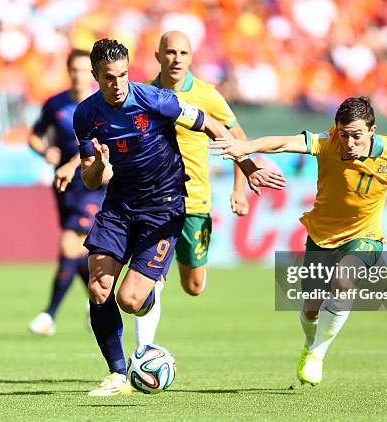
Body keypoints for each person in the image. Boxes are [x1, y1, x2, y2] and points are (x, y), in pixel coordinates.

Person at [211, 96, 387, 386]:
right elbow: (282, 143)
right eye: (344, 134)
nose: (349, 143)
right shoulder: (327, 143)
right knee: (310, 307)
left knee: (344, 281)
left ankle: (318, 352)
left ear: (372, 131)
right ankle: (309, 343)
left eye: (356, 136)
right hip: (321, 235)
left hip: (365, 236)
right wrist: (245, 147)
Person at [72, 39, 285, 396]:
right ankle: (117, 374)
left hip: (164, 206)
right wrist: (99, 163)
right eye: (109, 77)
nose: (118, 84)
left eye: (123, 74)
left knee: (130, 300)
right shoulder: (86, 115)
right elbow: (90, 178)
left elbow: (214, 126)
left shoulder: (154, 100)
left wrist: (247, 167)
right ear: (95, 76)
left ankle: (148, 294)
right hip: (120, 206)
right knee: (98, 286)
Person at [133, 31, 250, 347]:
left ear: (191, 57)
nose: (176, 59)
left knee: (194, 285)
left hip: (196, 203)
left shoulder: (207, 95)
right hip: (154, 204)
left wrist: (240, 189)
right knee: (150, 278)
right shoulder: (142, 94)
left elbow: (237, 139)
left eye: (183, 53)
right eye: (170, 52)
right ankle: (142, 352)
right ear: (158, 56)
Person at [28, 49, 104, 336]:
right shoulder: (55, 104)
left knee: (69, 245)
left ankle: (49, 314)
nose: (78, 75)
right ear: (68, 71)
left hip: (93, 185)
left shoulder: (101, 105)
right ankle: (96, 300)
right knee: (76, 249)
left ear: (92, 73)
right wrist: (46, 151)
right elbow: (34, 136)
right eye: (74, 69)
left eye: (84, 70)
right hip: (64, 185)